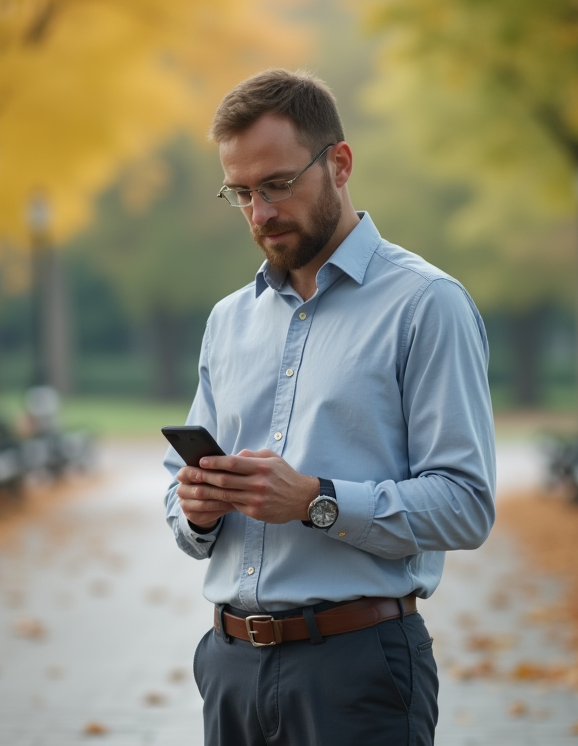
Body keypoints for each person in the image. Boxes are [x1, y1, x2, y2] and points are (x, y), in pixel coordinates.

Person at [163, 68, 496, 746]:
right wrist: (196, 507)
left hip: (357, 671)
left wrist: (316, 500)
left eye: (278, 184)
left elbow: (465, 504)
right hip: (228, 669)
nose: (261, 214)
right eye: (243, 194)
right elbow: (176, 499)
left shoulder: (426, 305)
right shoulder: (229, 320)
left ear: (339, 164)